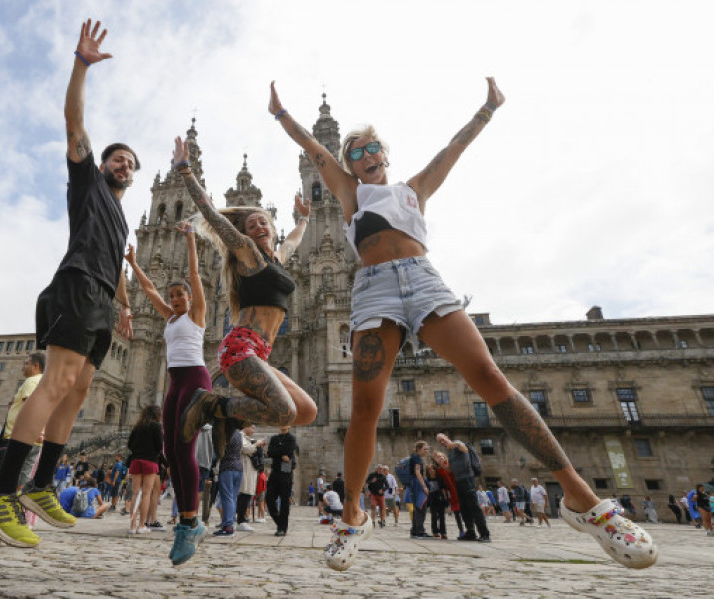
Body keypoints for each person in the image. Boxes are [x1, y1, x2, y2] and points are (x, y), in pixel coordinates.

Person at [269, 78, 658, 570]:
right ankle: (352, 517)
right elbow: (311, 147)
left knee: (490, 377)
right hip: (373, 289)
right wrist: (281, 115)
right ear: (346, 165)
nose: (365, 154)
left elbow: (453, 148)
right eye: (354, 152)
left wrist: (487, 110)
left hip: (423, 281)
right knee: (365, 406)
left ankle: (585, 502)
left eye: (372, 148)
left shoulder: (413, 190)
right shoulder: (348, 193)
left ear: (384, 155)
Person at [0, 18, 136, 549]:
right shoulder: (87, 183)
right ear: (102, 162)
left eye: (131, 164)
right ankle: (0, 490)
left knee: (82, 387)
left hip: (102, 300)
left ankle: (42, 483)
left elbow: (117, 267)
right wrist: (81, 66)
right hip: (75, 286)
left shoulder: (121, 216)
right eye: (118, 158)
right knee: (58, 383)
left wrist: (126, 307)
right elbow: (74, 122)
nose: (123, 165)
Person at [171, 136, 317, 456]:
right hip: (240, 345)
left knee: (306, 412)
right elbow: (213, 215)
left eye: (263, 221)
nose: (258, 225)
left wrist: (304, 218)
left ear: (271, 227)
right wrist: (185, 171)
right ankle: (211, 404)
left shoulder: (276, 259)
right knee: (285, 412)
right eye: (250, 224)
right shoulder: (247, 253)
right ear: (245, 234)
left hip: (261, 353)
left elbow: (292, 241)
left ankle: (228, 416)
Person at [126, 219, 210, 564]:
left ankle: (190, 520)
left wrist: (191, 238)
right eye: (173, 295)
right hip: (175, 382)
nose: (176, 299)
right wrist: (133, 265)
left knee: (185, 449)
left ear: (190, 298)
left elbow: (194, 273)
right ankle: (188, 522)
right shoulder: (169, 318)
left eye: (181, 295)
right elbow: (149, 291)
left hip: (196, 378)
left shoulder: (198, 314)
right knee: (170, 451)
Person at [0, 353, 46, 489]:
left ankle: (3, 502)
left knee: (8, 475)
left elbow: (30, 406)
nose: (23, 367)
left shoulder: (32, 381)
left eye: (26, 363)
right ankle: (17, 503)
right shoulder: (44, 383)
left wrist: (35, 430)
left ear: (36, 365)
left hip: (20, 436)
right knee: (24, 477)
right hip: (36, 439)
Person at [436, 434, 490, 543]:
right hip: (458, 480)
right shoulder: (450, 453)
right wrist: (442, 465)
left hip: (467, 478)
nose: (442, 442)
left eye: (442, 439)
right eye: (440, 442)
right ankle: (470, 532)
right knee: (464, 508)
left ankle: (484, 534)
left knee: (474, 506)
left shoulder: (458, 444)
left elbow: (464, 448)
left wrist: (453, 444)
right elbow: (450, 469)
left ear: (447, 437)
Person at [126, 405, 164, 535]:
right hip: (150, 461)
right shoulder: (156, 426)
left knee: (135, 493)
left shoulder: (137, 427)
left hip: (136, 461)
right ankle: (142, 525)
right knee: (147, 493)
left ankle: (132, 525)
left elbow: (129, 444)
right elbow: (159, 446)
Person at [266, 425, 297, 536]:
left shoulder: (291, 438)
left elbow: (288, 451)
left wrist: (277, 452)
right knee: (269, 498)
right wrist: (281, 454)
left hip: (286, 473)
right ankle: (280, 523)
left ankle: (282, 528)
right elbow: (269, 452)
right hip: (275, 472)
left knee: (284, 501)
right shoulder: (274, 438)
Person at [214, 428, 244, 537]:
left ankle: (228, 526)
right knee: (233, 497)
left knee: (226, 497)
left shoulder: (226, 433)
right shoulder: (238, 434)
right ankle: (229, 523)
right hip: (238, 467)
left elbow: (219, 451)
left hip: (227, 467)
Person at [408, 442, 431, 538]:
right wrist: (424, 486)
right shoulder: (417, 458)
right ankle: (419, 531)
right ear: (419, 449)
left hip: (414, 483)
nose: (427, 451)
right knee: (421, 506)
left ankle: (415, 530)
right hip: (418, 483)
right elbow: (417, 472)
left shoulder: (413, 457)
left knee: (417, 507)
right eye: (425, 449)